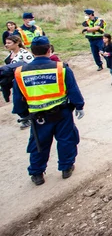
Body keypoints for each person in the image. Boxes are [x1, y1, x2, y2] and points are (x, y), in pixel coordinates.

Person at [12, 36, 85, 186]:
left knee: (39, 144)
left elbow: (18, 98)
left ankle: (37, 173)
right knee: (66, 140)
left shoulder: (20, 72)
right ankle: (66, 167)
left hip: (38, 117)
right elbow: (73, 90)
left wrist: (23, 115)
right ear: (49, 50)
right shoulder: (61, 68)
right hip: (61, 113)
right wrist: (79, 106)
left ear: (32, 51)